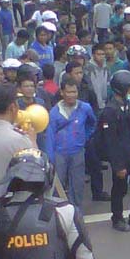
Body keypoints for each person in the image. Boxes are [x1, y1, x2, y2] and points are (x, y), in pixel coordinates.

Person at [100, 70, 130, 231]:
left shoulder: (125, 105)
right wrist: (118, 165)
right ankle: (117, 218)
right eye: (129, 88)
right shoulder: (110, 111)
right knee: (120, 189)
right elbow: (110, 141)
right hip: (120, 157)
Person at [44, 74, 97, 209]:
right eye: (68, 92)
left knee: (78, 185)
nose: (72, 95)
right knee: (58, 185)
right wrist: (50, 159)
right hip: (59, 153)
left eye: (74, 92)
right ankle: (58, 212)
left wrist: (84, 137)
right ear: (62, 92)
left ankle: (76, 212)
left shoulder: (85, 108)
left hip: (77, 151)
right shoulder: (54, 113)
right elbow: (49, 136)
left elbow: (92, 123)